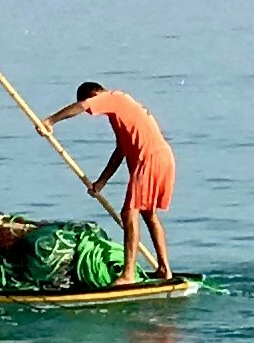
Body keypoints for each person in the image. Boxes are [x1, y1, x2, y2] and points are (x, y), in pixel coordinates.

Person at [45, 80, 176, 281]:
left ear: (95, 94)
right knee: (148, 213)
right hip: (163, 156)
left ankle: (129, 274)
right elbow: (121, 151)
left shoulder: (112, 98)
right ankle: (164, 269)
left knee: (129, 212)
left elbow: (82, 106)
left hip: (149, 158)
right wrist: (102, 181)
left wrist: (51, 121)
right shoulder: (121, 111)